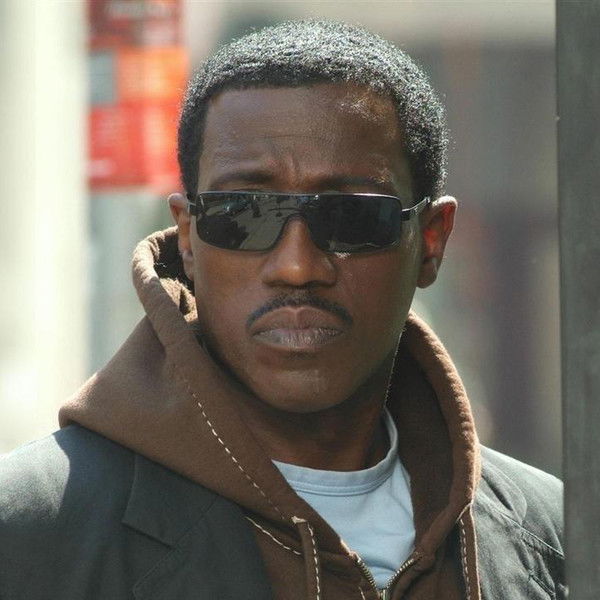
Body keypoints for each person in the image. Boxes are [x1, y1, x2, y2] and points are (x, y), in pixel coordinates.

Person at [0, 20, 564, 600]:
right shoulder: (30, 530)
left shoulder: (557, 540)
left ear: (430, 241)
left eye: (350, 217)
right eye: (244, 213)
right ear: (188, 238)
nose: (297, 266)